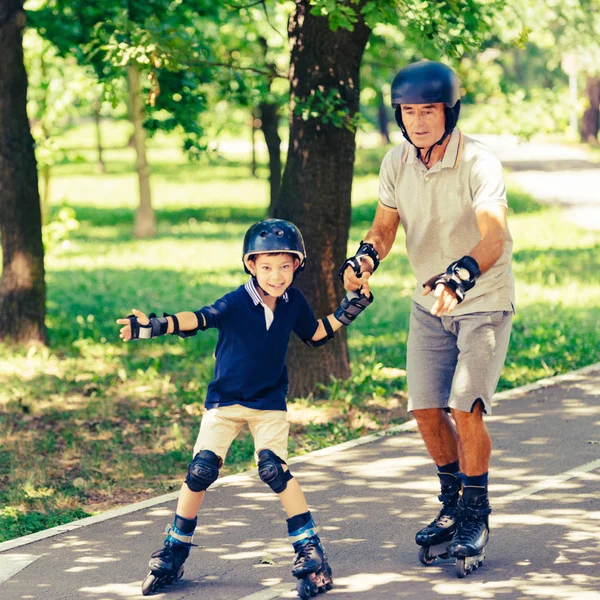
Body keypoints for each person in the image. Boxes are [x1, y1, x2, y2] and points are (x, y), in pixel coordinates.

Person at [117, 218, 373, 597]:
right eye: (267, 266)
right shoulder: (238, 301)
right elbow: (202, 318)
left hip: (269, 402)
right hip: (225, 400)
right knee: (201, 470)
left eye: (285, 266)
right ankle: (174, 548)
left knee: (274, 468)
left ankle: (310, 550)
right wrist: (158, 325)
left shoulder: (293, 303)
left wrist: (349, 309)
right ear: (251, 265)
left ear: (297, 266)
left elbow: (316, 334)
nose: (276, 275)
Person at [339, 60, 514, 577]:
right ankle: (452, 502)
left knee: (465, 406)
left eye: (428, 111)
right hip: (427, 305)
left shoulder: (480, 162)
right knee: (424, 409)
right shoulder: (397, 162)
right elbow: (384, 228)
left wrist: (458, 276)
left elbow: (494, 237)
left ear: (450, 111)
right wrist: (364, 257)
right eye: (408, 111)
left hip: (481, 301)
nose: (417, 121)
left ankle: (475, 514)